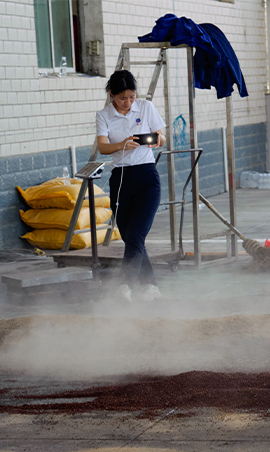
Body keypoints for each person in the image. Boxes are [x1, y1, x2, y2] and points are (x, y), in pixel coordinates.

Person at [96, 70, 166, 303]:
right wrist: (122, 145)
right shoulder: (104, 115)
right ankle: (150, 286)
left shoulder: (145, 107)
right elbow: (103, 148)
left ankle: (125, 285)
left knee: (136, 234)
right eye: (123, 98)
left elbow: (161, 137)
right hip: (121, 179)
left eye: (132, 96)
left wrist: (157, 139)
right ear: (111, 94)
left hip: (147, 177)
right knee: (129, 236)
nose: (128, 102)